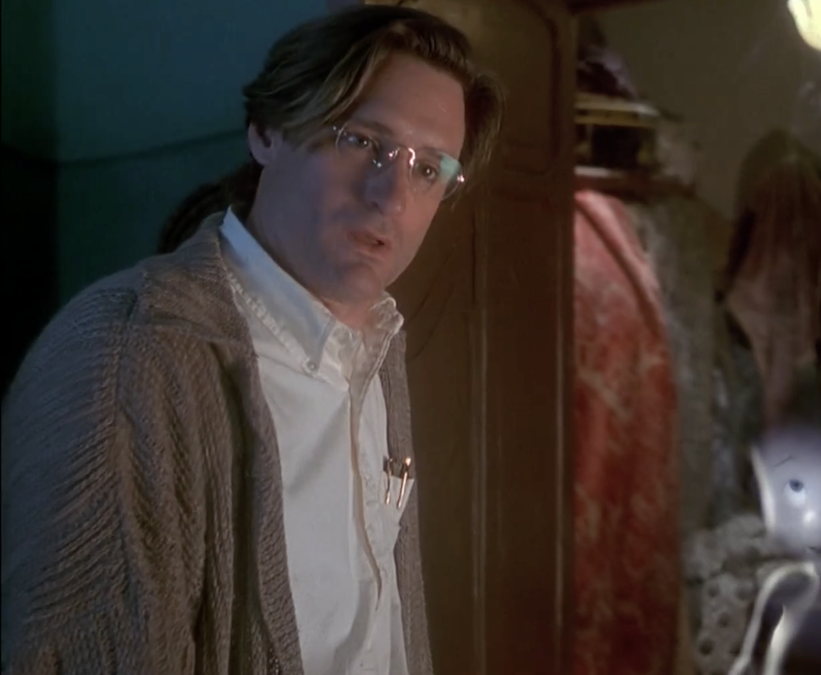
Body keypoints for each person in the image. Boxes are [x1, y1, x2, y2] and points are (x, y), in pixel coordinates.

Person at [0, 6, 503, 675]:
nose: (392, 197)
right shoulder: (122, 356)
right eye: (362, 141)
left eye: (429, 169)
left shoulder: (378, 348)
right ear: (267, 131)